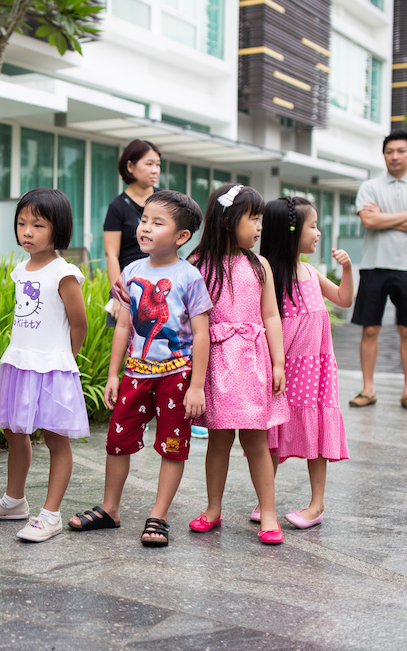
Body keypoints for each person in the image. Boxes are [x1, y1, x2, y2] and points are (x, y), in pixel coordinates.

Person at [68, 190, 210, 548]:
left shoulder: (189, 276)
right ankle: (110, 508)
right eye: (144, 220)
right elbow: (122, 326)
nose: (145, 227)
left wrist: (196, 386)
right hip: (135, 371)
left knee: (172, 446)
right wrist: (114, 373)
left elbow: (201, 333)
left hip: (176, 375)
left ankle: (158, 515)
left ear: (181, 237)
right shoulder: (130, 271)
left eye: (157, 223)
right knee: (117, 440)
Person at [0, 189, 89, 542]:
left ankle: (50, 514)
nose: (27, 231)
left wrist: (64, 360)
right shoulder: (18, 270)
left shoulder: (64, 273)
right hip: (20, 363)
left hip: (52, 368)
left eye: (37, 225)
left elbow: (79, 323)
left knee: (56, 440)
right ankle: (14, 501)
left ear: (58, 230)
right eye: (22, 223)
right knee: (15, 433)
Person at [186, 184, 289, 545]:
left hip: (252, 364)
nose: (259, 227)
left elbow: (272, 315)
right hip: (215, 364)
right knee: (217, 441)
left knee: (257, 442)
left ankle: (269, 512)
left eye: (260, 219)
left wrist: (278, 362)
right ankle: (213, 508)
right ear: (228, 221)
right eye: (254, 219)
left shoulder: (259, 265)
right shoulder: (198, 265)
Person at [260, 197, 352, 529]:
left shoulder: (311, 273)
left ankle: (317, 505)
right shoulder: (268, 274)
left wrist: (347, 270)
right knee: (273, 433)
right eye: (312, 227)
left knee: (316, 431)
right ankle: (265, 499)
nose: (318, 233)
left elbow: (343, 298)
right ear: (290, 233)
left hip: (314, 371)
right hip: (282, 369)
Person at [350, 130, 407, 412]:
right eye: (390, 151)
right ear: (384, 155)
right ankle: (368, 389)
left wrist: (383, 218)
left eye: (401, 151)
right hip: (374, 265)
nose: (395, 156)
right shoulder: (370, 186)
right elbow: (368, 221)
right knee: (370, 329)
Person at [103, 139, 161, 322]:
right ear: (130, 166)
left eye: (158, 165)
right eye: (149, 164)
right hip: (131, 286)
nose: (155, 170)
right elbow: (111, 255)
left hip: (162, 283)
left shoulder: (165, 201)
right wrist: (118, 296)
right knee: (128, 347)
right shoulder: (117, 206)